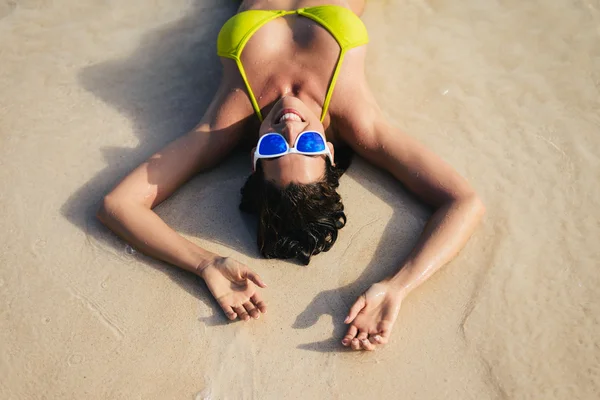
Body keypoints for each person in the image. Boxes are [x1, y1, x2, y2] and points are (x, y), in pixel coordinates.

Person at [96, 0, 485, 351]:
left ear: (254, 157)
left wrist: (206, 264)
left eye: (273, 149)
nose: (291, 128)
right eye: (311, 146)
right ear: (329, 153)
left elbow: (119, 205)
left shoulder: (224, 125)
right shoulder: (361, 124)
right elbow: (464, 202)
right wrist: (397, 286)